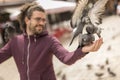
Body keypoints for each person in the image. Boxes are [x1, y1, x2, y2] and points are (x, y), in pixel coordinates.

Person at [0, 2, 103, 80]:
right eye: (38, 19)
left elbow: (66, 58)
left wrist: (83, 50)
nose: (42, 22)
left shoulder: (50, 41)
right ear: (27, 20)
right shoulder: (15, 43)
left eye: (43, 20)